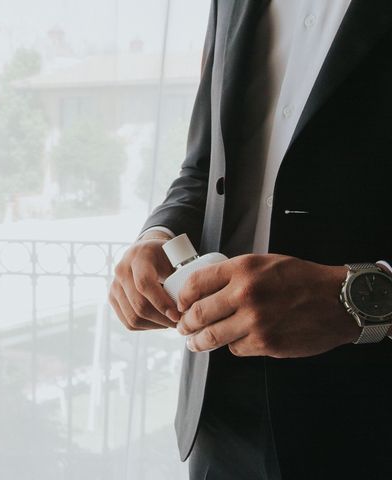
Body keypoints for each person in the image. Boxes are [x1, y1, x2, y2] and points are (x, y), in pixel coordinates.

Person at [108, 1, 392, 478]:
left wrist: (355, 302)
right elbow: (203, 167)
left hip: (370, 418)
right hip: (218, 410)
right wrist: (156, 236)